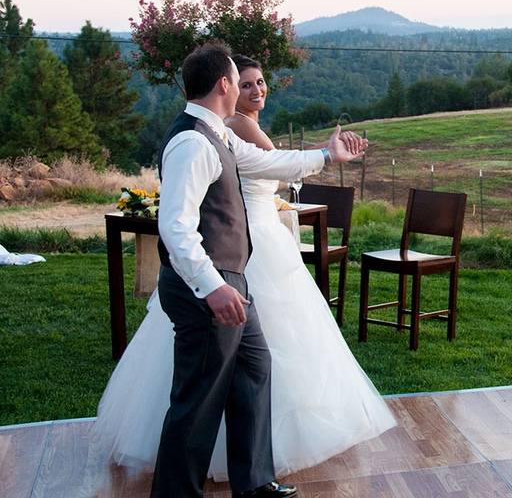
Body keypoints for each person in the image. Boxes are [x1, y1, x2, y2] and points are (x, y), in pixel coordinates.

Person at [91, 43, 389, 498]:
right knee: (199, 398)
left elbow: (266, 163)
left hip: (233, 281)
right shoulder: (193, 142)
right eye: (239, 79)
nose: (246, 87)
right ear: (225, 85)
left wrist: (327, 155)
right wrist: (212, 288)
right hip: (207, 289)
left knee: (254, 368)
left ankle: (253, 483)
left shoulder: (218, 135)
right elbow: (175, 228)